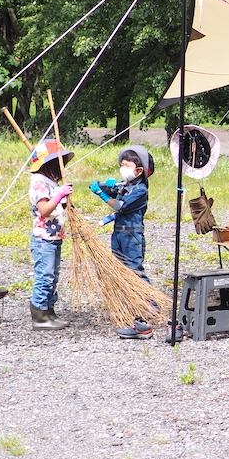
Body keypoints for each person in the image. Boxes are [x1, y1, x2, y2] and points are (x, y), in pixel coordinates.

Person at [91, 145, 157, 339]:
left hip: (132, 235)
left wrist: (102, 195)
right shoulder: (125, 186)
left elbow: (120, 206)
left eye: (128, 166)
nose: (123, 169)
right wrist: (106, 185)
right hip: (118, 233)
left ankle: (150, 305)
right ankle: (131, 304)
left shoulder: (140, 190)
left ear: (139, 171)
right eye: (122, 165)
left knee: (134, 270)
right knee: (120, 269)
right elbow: (109, 189)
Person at [26, 139, 75, 330]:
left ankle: (49, 311)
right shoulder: (38, 184)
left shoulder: (50, 182)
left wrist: (64, 199)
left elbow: (57, 207)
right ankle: (39, 315)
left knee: (53, 277)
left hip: (54, 238)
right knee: (44, 276)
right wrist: (58, 195)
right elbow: (45, 209)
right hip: (43, 240)